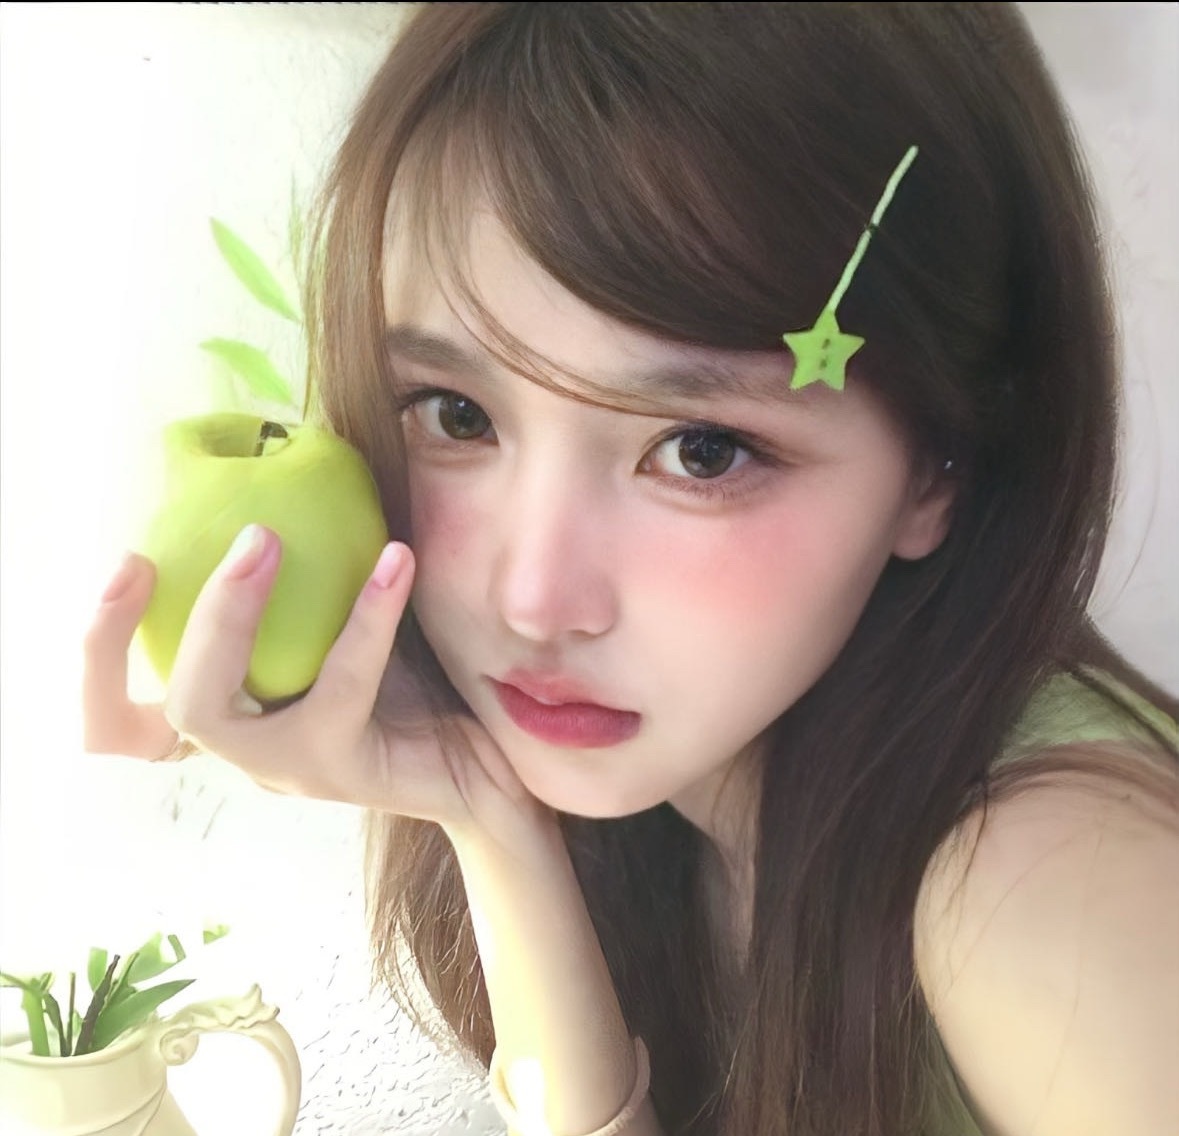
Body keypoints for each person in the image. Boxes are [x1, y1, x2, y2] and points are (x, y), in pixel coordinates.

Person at [82, 5, 1178, 1135]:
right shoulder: (691, 800)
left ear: (937, 470)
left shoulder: (1055, 886)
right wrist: (486, 814)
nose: (533, 600)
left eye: (701, 451)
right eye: (456, 415)